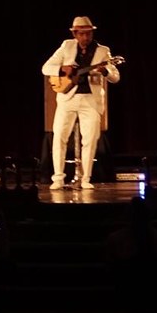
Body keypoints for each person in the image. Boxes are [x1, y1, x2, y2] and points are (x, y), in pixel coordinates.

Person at [42, 15, 120, 190]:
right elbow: (45, 68)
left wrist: (105, 72)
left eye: (88, 34)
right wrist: (62, 68)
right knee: (59, 138)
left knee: (90, 139)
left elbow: (115, 77)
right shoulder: (66, 46)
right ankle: (58, 179)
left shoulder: (103, 51)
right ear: (75, 34)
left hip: (90, 100)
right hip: (67, 97)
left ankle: (86, 178)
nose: (85, 37)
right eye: (82, 34)